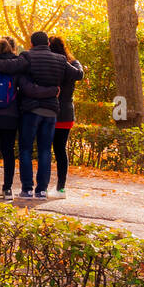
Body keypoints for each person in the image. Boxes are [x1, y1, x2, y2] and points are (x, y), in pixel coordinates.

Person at [0, 31, 69, 198]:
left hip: (31, 110)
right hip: (50, 111)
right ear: (48, 44)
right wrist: (53, 90)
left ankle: (27, 189)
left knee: (26, 150)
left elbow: (8, 66)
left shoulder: (27, 57)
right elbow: (76, 74)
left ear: (31, 43)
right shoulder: (61, 60)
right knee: (45, 150)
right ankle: (42, 190)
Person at [48, 35, 85, 197]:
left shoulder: (52, 64)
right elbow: (80, 74)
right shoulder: (72, 63)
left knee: (45, 150)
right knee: (60, 150)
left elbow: (79, 74)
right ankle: (60, 187)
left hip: (48, 112)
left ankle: (43, 186)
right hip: (65, 113)